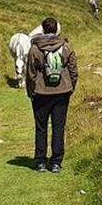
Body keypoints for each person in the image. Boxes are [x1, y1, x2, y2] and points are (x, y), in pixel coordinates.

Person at [24, 17, 78, 173]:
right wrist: (70, 87)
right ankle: (56, 162)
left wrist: (31, 91)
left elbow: (30, 73)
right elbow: (74, 70)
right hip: (62, 93)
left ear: (43, 29)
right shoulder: (66, 46)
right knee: (58, 127)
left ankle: (40, 161)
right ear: (56, 30)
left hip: (41, 93)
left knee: (41, 128)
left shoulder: (35, 48)